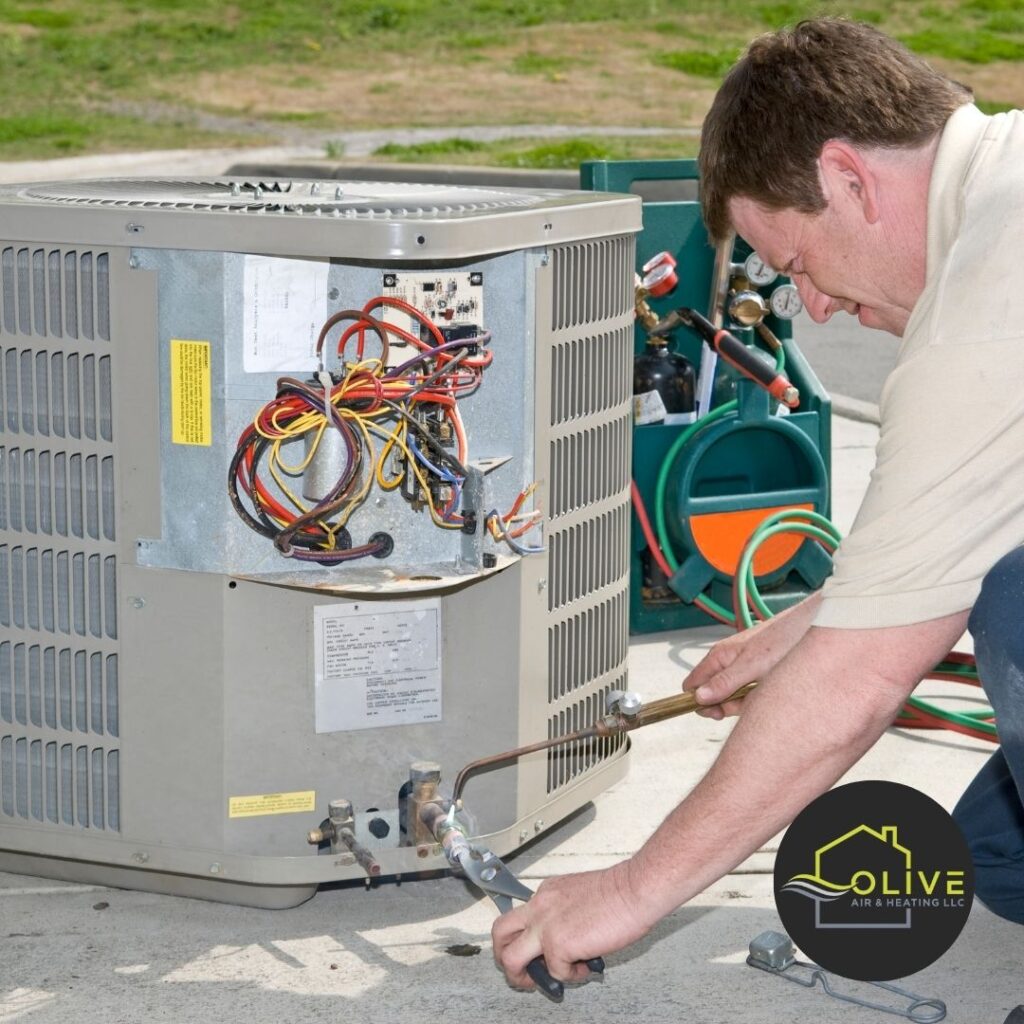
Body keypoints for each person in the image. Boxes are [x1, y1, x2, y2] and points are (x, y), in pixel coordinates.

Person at [493, 17, 1024, 988]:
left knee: (1012, 596)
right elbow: (976, 512)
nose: (812, 308)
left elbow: (859, 684)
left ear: (848, 180)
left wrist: (629, 888)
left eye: (794, 265)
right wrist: (808, 623)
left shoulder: (987, 300)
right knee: (998, 859)